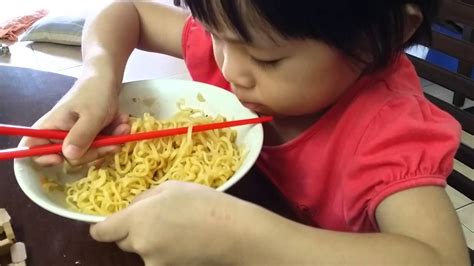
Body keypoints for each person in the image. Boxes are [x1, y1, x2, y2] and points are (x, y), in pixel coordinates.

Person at [27, 0, 470, 265]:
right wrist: (96, 81)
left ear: (377, 38)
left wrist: (241, 238)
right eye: (215, 34)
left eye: (268, 59)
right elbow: (124, 10)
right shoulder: (242, 36)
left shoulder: (388, 131)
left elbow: (441, 259)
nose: (230, 69)